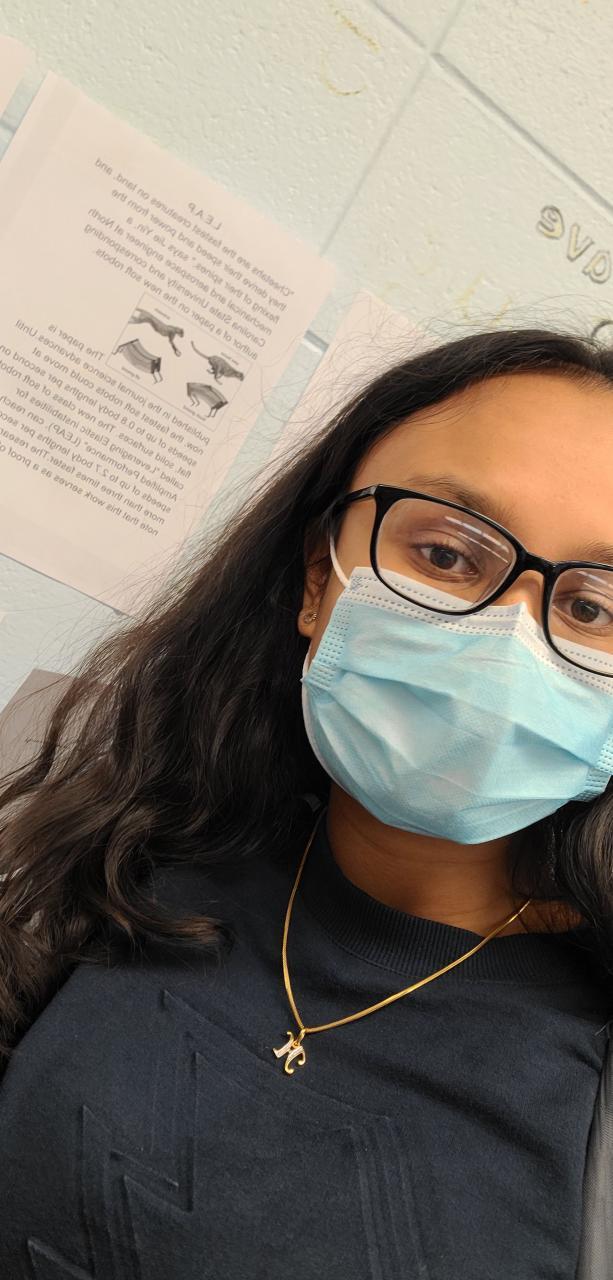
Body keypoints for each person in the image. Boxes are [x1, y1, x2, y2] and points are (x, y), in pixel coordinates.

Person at [0, 327, 612, 1278]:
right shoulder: (124, 840)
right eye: (445, 553)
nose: (506, 641)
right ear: (319, 579)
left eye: (591, 608)